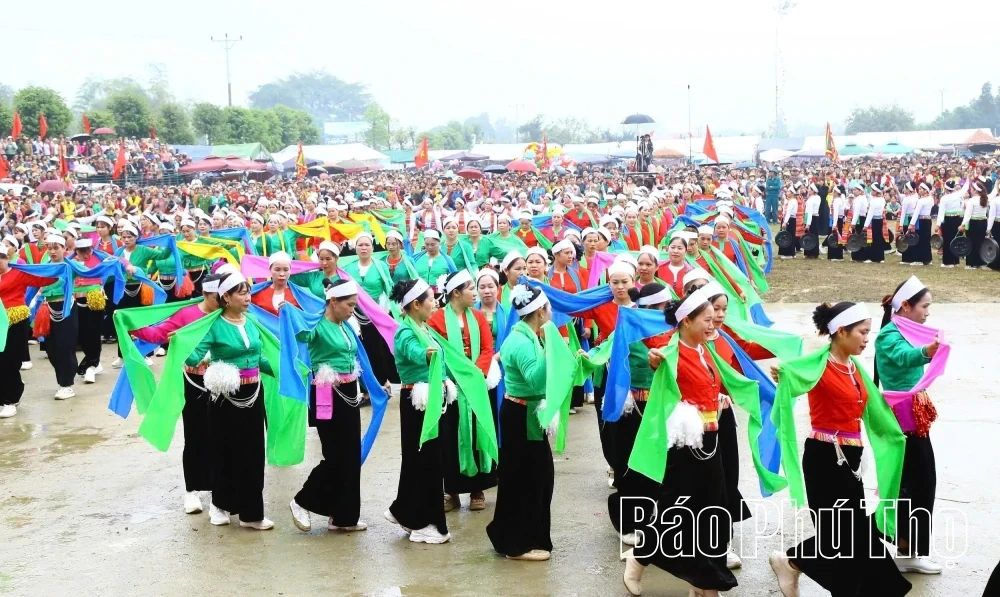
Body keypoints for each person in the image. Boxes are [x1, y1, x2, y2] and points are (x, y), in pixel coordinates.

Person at [768, 301, 911, 597]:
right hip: (824, 457)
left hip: (851, 459)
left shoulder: (853, 368)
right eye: (862, 332)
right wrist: (783, 373)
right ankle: (792, 561)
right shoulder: (819, 366)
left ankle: (793, 562)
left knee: (853, 537)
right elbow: (793, 376)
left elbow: (873, 407)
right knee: (845, 535)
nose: (866, 338)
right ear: (841, 331)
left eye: (868, 332)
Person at [623, 288, 737, 597]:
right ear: (686, 321)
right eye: (707, 320)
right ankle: (640, 557)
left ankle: (702, 581)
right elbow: (658, 358)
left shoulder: (705, 351)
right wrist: (655, 358)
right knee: (677, 510)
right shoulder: (671, 352)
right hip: (686, 445)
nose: (713, 326)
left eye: (715, 319)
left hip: (710, 441)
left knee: (711, 511)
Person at [187, 272, 275, 530]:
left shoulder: (251, 322)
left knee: (253, 454)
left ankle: (251, 513)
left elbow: (258, 358)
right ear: (226, 297)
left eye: (248, 292)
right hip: (225, 398)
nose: (247, 297)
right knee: (224, 451)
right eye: (241, 293)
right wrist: (181, 344)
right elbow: (193, 357)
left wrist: (284, 370)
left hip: (253, 394)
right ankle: (219, 504)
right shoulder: (214, 325)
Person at [131, 274, 225, 514]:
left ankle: (220, 486)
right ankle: (192, 490)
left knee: (222, 436)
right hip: (194, 382)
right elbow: (158, 334)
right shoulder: (187, 315)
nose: (222, 301)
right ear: (206, 294)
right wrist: (130, 324)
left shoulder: (227, 313)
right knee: (195, 436)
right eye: (218, 297)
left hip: (225, 382)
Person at [288, 279, 370, 533]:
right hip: (326, 392)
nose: (351, 310)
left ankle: (343, 516)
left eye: (354, 305)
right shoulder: (317, 326)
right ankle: (301, 501)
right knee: (336, 455)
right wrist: (286, 310)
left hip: (348, 391)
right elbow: (297, 333)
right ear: (333, 301)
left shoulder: (345, 326)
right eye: (349, 305)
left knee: (350, 456)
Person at [874, 276, 943, 574]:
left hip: (913, 416)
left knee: (919, 481)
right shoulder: (889, 335)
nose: (928, 312)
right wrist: (928, 351)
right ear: (906, 306)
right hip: (903, 418)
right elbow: (905, 358)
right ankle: (905, 546)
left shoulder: (904, 329)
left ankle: (908, 546)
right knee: (915, 483)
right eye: (924, 306)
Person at [487, 283, 554, 561]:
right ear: (540, 311)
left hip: (525, 413)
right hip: (522, 414)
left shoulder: (527, 335)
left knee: (532, 477)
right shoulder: (523, 342)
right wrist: (553, 353)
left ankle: (516, 535)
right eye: (548, 307)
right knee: (528, 478)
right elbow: (536, 379)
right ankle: (518, 543)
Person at [385, 278, 453, 544]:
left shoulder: (424, 327)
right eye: (430, 298)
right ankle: (425, 521)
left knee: (424, 459)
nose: (434, 302)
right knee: (424, 461)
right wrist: (426, 354)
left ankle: (405, 511)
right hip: (417, 400)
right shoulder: (405, 331)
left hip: (431, 399)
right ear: (416, 304)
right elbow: (413, 352)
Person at [427, 270, 497, 513]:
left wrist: (476, 374)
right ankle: (452, 490)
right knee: (449, 437)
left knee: (478, 434)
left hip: (476, 385)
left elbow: (487, 347)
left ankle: (477, 489)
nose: (475, 292)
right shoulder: (435, 320)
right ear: (456, 293)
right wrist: (450, 379)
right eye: (470, 288)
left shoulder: (477, 317)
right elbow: (436, 352)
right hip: (452, 388)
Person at [0, 248, 58, 418]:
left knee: (10, 360)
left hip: (16, 319)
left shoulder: (18, 273)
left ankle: (10, 400)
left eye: (1, 258)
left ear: (7, 258)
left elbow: (44, 278)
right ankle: (10, 393)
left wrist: (61, 267)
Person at [250, 251, 300, 316]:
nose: (282, 274)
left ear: (290, 271)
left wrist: (292, 310)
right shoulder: (256, 293)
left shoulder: (299, 295)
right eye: (277, 270)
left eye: (286, 270)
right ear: (270, 270)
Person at [936, 179, 967, 268]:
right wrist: (968, 179)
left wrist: (938, 224)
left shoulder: (944, 198)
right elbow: (965, 188)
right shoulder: (958, 194)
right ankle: (955, 260)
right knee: (956, 239)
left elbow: (941, 211)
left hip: (948, 219)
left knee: (948, 240)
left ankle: (948, 262)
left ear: (946, 189)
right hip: (958, 219)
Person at [960, 178, 990, 270]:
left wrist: (962, 225)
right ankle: (980, 262)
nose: (971, 191)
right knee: (980, 243)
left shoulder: (972, 201)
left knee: (972, 243)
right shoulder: (985, 199)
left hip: (974, 223)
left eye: (972, 189)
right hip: (983, 222)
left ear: (976, 190)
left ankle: (972, 263)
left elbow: (968, 215)